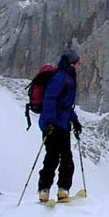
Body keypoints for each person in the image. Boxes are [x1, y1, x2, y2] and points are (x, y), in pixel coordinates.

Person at [38, 49, 82, 203]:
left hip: (62, 124)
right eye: (78, 62)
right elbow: (49, 98)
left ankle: (61, 189)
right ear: (72, 64)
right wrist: (50, 121)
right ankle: (45, 189)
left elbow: (66, 105)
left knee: (65, 158)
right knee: (53, 157)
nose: (80, 65)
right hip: (53, 125)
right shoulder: (60, 77)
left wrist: (74, 121)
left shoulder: (68, 77)